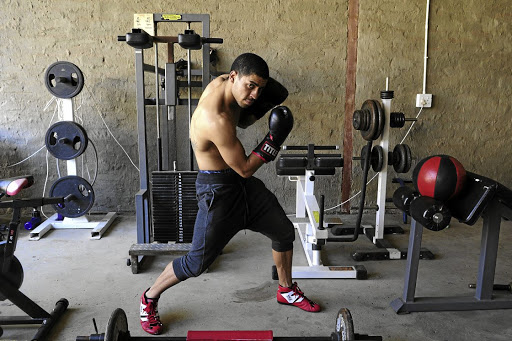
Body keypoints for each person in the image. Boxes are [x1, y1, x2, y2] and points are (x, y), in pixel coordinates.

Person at [139, 53, 321, 335]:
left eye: (260, 87)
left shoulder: (231, 87)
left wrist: (258, 101)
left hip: (241, 187)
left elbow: (245, 122)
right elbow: (247, 168)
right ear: (233, 77)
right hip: (217, 192)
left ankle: (286, 289)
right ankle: (149, 298)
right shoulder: (215, 119)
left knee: (284, 232)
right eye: (250, 86)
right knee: (196, 263)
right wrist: (274, 140)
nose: (255, 93)